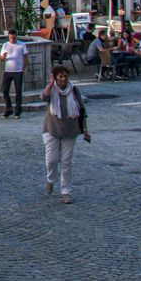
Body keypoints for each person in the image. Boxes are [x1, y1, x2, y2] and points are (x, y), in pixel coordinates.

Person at [42, 65, 89, 203]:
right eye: (60, 76)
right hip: (51, 129)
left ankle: (66, 192)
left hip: (70, 130)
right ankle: (50, 179)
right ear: (56, 77)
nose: (63, 79)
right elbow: (44, 96)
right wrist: (51, 84)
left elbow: (82, 111)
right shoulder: (52, 90)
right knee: (52, 160)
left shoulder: (73, 90)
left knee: (66, 162)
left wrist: (85, 131)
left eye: (66, 76)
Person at [0, 29, 27, 119]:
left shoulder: (22, 45)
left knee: (18, 92)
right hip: (8, 71)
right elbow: (1, 58)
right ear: (8, 37)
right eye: (10, 38)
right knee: (5, 90)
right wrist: (3, 57)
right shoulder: (5, 45)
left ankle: (18, 111)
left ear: (16, 36)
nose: (12, 40)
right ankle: (9, 108)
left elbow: (25, 57)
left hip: (18, 71)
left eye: (13, 38)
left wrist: (23, 68)